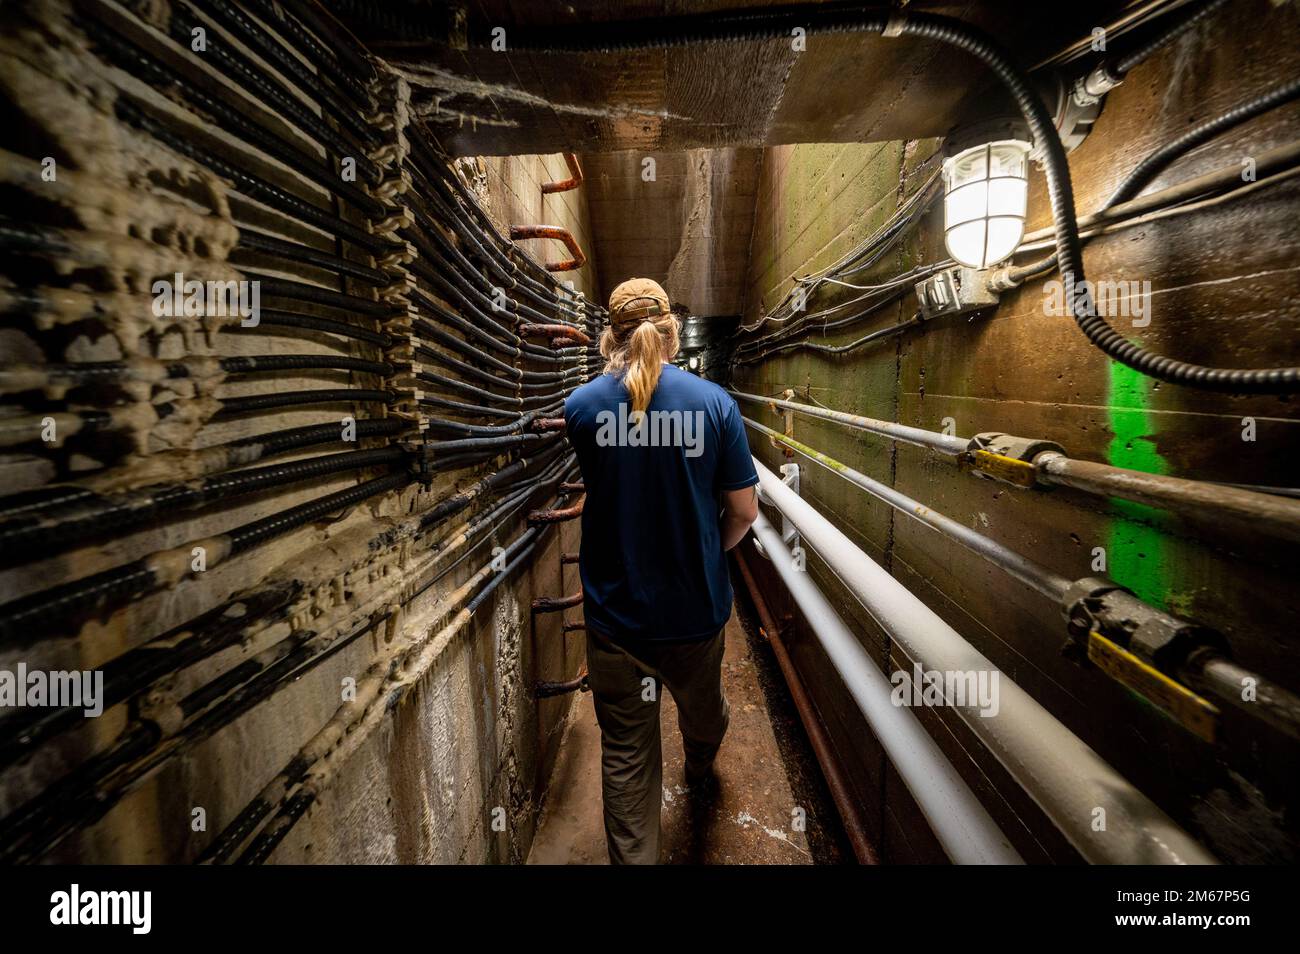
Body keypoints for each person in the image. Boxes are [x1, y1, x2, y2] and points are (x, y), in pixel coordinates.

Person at [563, 278, 759, 864]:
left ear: (610, 337)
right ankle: (700, 765)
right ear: (671, 332)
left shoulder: (580, 408)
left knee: (627, 758)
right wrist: (707, 550)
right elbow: (744, 510)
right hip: (695, 613)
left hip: (617, 621)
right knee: (705, 716)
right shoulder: (715, 405)